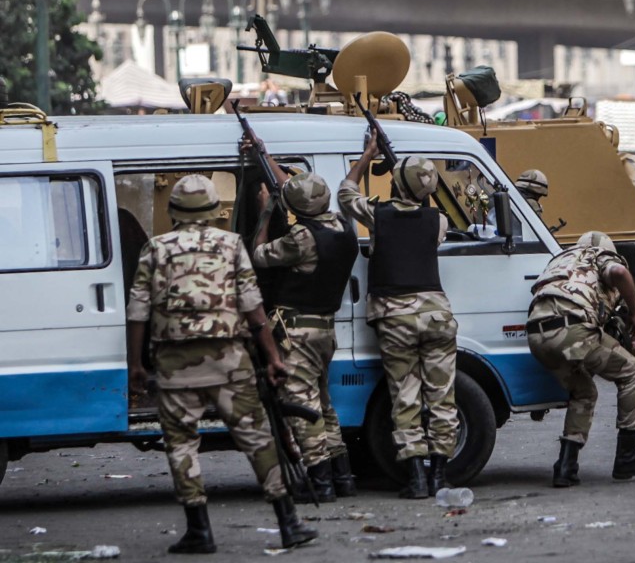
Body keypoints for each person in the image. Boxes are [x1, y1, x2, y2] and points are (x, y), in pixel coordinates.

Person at [126, 174, 317, 555]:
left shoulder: (156, 248)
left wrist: (136, 366)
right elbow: (252, 307)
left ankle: (199, 530)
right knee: (258, 439)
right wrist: (274, 357)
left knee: (181, 444)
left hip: (174, 361)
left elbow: (138, 312)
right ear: (215, 210)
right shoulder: (230, 244)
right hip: (230, 358)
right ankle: (289, 524)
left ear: (173, 210)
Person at [337, 129, 458, 499]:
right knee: (442, 397)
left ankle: (415, 479)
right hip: (437, 316)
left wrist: (367, 156)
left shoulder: (378, 215)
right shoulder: (438, 220)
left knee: (405, 397)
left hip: (395, 318)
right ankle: (439, 476)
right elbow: (421, 218)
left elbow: (345, 195)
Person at [249, 150, 359, 504]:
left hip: (296, 333)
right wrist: (266, 157)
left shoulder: (300, 239)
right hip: (325, 331)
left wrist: (266, 211)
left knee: (302, 407)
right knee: (325, 407)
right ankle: (342, 477)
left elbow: (259, 254)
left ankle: (320, 483)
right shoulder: (344, 228)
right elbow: (302, 197)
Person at [526, 231, 635, 488]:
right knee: (633, 371)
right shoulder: (598, 256)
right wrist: (634, 313)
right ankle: (628, 455)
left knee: (584, 392)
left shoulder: (559, 261)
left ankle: (565, 466)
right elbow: (620, 274)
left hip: (536, 335)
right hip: (572, 330)